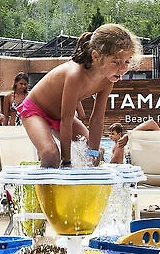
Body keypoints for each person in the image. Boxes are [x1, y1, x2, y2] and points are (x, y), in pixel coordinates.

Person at [16, 24, 140, 168]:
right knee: (51, 154)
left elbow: (97, 118)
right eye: (116, 62)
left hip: (60, 117)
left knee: (96, 152)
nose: (123, 68)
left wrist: (93, 153)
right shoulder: (75, 74)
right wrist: (66, 161)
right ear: (96, 56)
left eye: (127, 61)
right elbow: (66, 120)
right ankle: (46, 182)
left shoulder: (107, 80)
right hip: (35, 111)